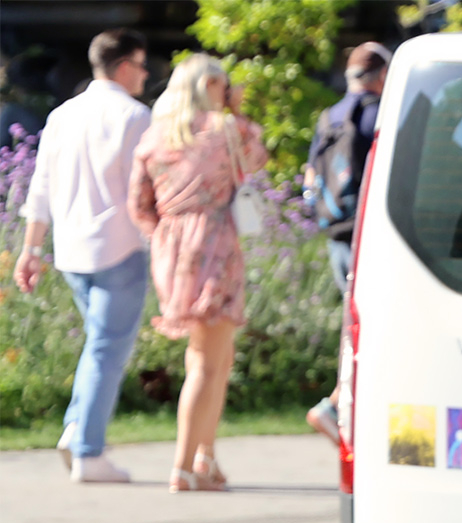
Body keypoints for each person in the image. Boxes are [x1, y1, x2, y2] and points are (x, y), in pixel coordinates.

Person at [11, 29, 152, 484]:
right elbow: (147, 189)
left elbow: (41, 189)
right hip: (120, 246)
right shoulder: (136, 117)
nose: (146, 74)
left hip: (71, 249)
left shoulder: (62, 115)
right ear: (125, 66)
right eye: (143, 65)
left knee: (99, 345)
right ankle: (88, 450)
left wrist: (31, 249)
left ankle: (77, 429)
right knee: (108, 349)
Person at [129, 53, 267, 493]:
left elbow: (139, 207)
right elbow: (257, 157)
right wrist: (239, 111)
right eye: (223, 86)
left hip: (171, 248)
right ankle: (185, 465)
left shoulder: (153, 139)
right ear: (210, 86)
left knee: (213, 359)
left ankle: (205, 458)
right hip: (215, 244)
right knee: (210, 364)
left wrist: (169, 237)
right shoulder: (225, 129)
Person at [301, 41, 388, 442]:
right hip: (368, 234)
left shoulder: (328, 118)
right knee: (371, 324)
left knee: (355, 322)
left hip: (336, 231)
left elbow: (310, 179)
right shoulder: (378, 116)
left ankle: (344, 407)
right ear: (382, 77)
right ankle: (338, 407)